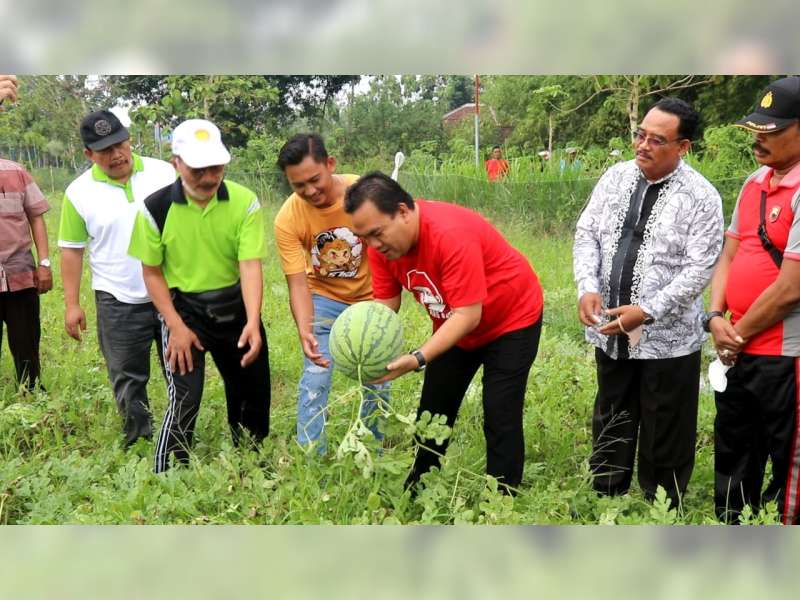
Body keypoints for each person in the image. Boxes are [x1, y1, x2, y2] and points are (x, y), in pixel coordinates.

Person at [345, 172, 544, 492]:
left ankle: (502, 495)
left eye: (377, 233)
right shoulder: (381, 248)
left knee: (500, 411)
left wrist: (418, 357)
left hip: (511, 319)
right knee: (434, 407)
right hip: (455, 323)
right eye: (365, 237)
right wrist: (362, 344)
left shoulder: (449, 234)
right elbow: (385, 304)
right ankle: (420, 483)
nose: (373, 245)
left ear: (403, 211)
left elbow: (468, 315)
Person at [573, 97, 724, 507]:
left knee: (665, 422)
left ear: (683, 147)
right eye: (640, 134)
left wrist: (647, 310)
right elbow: (587, 232)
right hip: (610, 327)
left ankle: (661, 504)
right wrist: (587, 285)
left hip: (667, 338)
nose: (642, 145)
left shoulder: (702, 197)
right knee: (613, 408)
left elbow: (699, 269)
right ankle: (607, 492)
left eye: (657, 139)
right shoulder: (615, 178)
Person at [128, 118, 270, 473]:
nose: (209, 177)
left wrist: (253, 321)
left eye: (216, 167)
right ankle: (169, 471)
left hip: (235, 307)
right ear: (176, 162)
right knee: (185, 395)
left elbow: (250, 264)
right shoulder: (155, 208)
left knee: (250, 388)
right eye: (198, 169)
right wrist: (175, 326)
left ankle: (252, 457)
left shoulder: (244, 202)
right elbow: (152, 272)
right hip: (184, 311)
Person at [708, 76, 800, 525]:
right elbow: (729, 254)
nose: (760, 140)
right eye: (756, 130)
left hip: (785, 356)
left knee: (789, 465)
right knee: (733, 452)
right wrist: (715, 317)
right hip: (737, 350)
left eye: (774, 130)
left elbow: (790, 288)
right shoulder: (753, 183)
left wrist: (736, 335)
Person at [58, 110, 176, 447]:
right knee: (127, 375)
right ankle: (139, 438)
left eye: (120, 144)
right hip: (116, 299)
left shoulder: (163, 173)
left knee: (180, 369)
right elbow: (71, 250)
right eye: (105, 150)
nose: (116, 155)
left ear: (129, 138)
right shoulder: (78, 193)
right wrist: (71, 304)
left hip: (170, 292)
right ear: (88, 154)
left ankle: (179, 433)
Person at [274, 133, 387, 451]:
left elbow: (388, 248)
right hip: (323, 297)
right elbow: (297, 282)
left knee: (378, 374)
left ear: (330, 164)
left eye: (315, 180)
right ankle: (310, 451)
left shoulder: (364, 194)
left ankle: (372, 445)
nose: (309, 191)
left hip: (368, 297)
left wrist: (383, 305)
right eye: (298, 185)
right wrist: (304, 330)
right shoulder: (288, 217)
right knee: (317, 373)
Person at [0, 74, 52, 391]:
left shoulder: (15, 171)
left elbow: (36, 217)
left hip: (20, 276)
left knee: (27, 341)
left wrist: (44, 264)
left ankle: (32, 392)